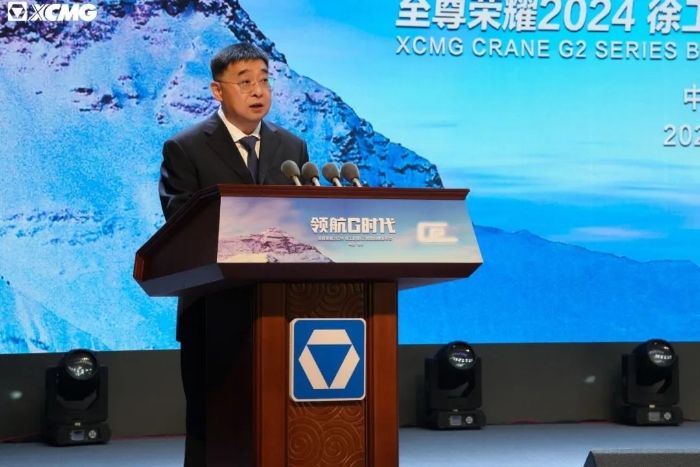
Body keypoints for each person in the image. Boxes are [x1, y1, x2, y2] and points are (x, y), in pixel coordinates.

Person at [157, 43, 310, 466]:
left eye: (264, 80)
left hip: (283, 310)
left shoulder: (292, 147)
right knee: (213, 425)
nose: (258, 91)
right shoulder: (186, 148)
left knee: (281, 422)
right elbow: (181, 224)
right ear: (217, 90)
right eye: (245, 82)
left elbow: (305, 217)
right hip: (213, 310)